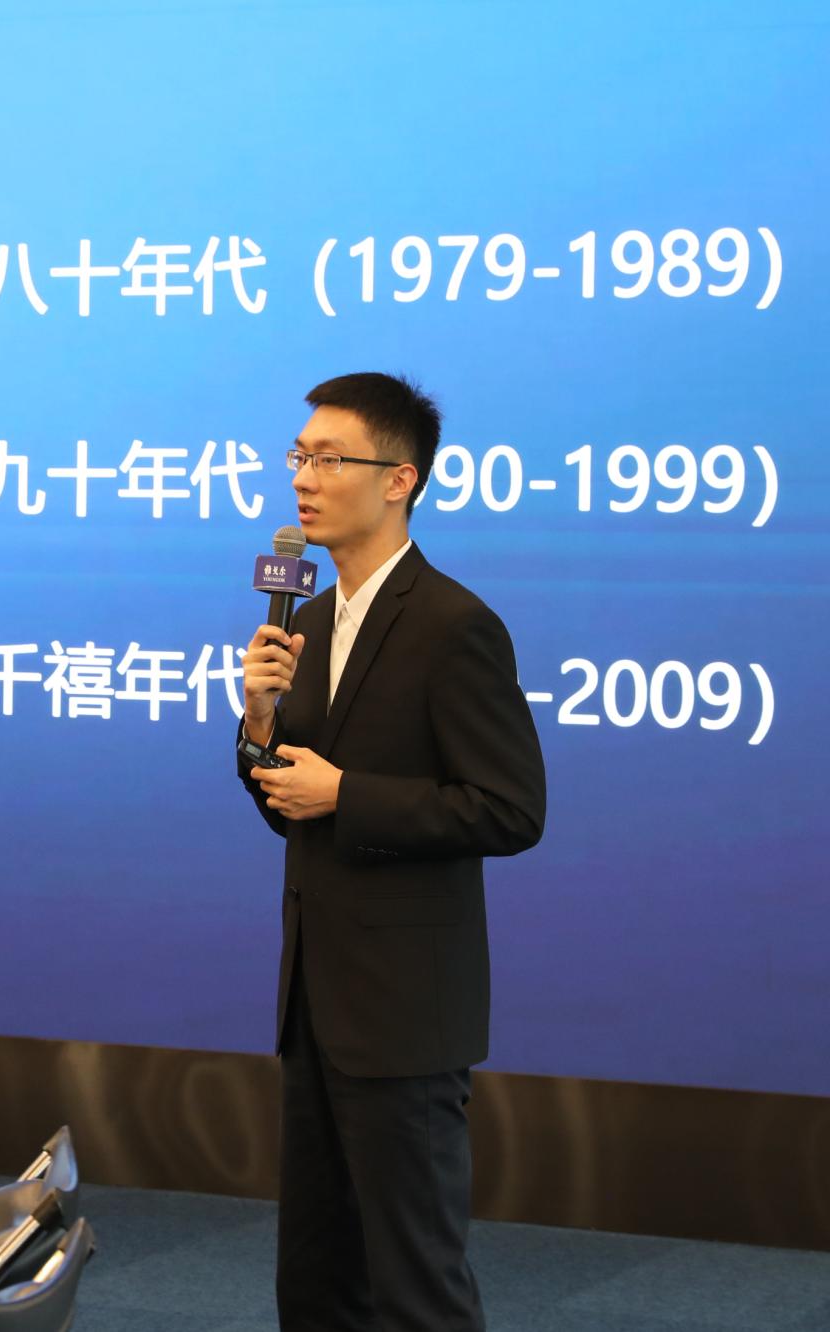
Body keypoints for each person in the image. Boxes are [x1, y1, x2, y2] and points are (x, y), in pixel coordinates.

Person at [238, 372, 546, 1331]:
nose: (304, 478)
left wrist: (349, 794)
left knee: (416, 1285)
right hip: (314, 1003)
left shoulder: (455, 625)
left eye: (329, 459)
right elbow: (291, 805)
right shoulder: (308, 621)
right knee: (316, 1277)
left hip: (405, 1012)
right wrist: (258, 724)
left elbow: (509, 809)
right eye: (299, 457)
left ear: (399, 479)